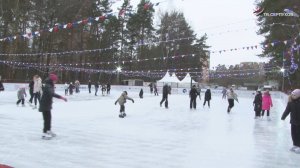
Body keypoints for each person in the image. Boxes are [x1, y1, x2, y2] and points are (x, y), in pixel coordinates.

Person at [39, 74, 67, 139]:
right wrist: (62, 97)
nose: (56, 81)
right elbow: (52, 94)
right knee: (47, 119)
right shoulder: (48, 85)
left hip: (46, 104)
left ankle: (48, 130)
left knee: (48, 118)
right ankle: (45, 133)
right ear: (52, 80)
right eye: (55, 80)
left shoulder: (49, 85)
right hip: (45, 104)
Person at [281, 89, 300, 153]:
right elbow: (287, 110)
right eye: (292, 95)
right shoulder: (290, 103)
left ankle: (299, 146)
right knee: (293, 134)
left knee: (298, 134)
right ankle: (295, 145)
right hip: (293, 121)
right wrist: (283, 117)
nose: (293, 96)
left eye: (295, 95)